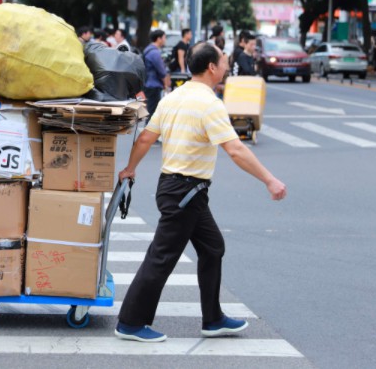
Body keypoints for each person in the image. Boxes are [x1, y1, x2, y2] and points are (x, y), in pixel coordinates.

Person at [114, 42, 286, 342]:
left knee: (212, 247)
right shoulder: (210, 103)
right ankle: (130, 322)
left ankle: (213, 319)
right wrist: (269, 180)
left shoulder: (173, 97)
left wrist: (131, 168)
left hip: (181, 190)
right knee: (162, 256)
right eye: (223, 60)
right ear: (212, 67)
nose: (226, 64)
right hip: (185, 192)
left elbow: (145, 139)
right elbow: (235, 149)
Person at [143, 30, 169, 121]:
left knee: (151, 109)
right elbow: (161, 71)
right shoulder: (154, 52)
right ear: (159, 39)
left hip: (148, 83)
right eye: (164, 37)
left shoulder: (148, 49)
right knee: (152, 112)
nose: (165, 40)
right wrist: (165, 84)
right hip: (153, 85)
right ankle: (148, 130)